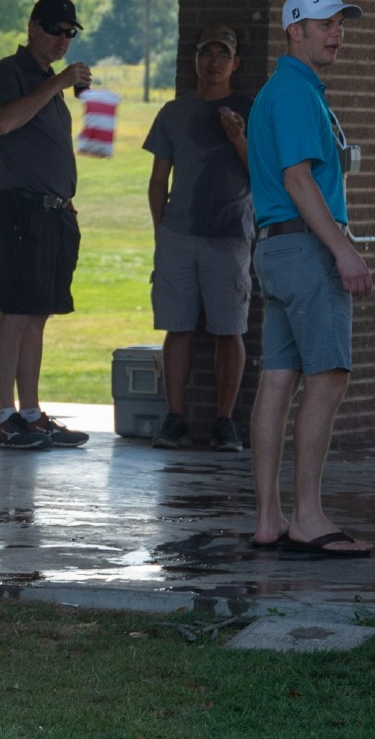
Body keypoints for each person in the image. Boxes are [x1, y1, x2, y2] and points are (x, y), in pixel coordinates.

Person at [247, 0, 373, 558]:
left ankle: (270, 518)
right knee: (329, 376)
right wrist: (342, 249)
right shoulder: (296, 92)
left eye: (340, 22)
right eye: (325, 23)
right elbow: (299, 180)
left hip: (275, 250)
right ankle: (308, 516)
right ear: (294, 29)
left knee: (278, 379)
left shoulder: (281, 90)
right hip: (304, 251)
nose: (336, 32)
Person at [0, 0, 92, 450]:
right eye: (54, 30)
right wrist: (59, 83)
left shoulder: (49, 81)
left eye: (70, 33)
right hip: (21, 209)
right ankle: (5, 417)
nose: (62, 40)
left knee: (38, 316)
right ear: (32, 27)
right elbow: (5, 122)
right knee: (15, 312)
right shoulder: (10, 73)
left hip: (54, 211)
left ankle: (31, 413)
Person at [144, 25, 252, 452]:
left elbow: (262, 171)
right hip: (177, 236)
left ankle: (225, 422)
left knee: (230, 330)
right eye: (206, 53)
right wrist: (161, 229)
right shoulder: (174, 112)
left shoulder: (249, 109)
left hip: (230, 235)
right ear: (195, 60)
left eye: (222, 55)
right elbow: (157, 180)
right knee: (178, 328)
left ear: (235, 64)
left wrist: (238, 137)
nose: (213, 62)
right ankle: (175, 419)